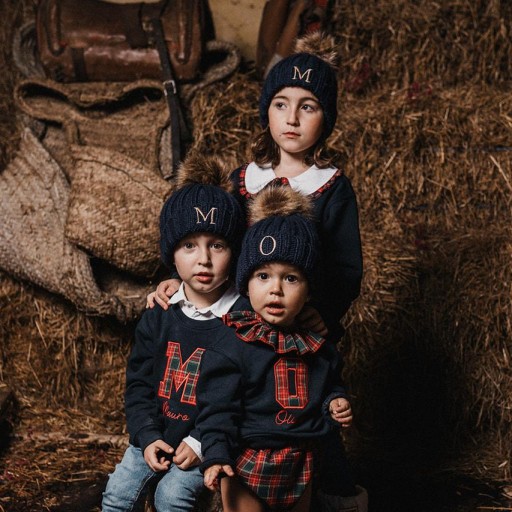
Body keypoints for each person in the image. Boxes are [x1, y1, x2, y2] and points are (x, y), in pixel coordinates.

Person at [148, 31, 362, 345]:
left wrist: (325, 312)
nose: (292, 118)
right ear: (266, 112)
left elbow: (345, 270)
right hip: (236, 321)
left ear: (326, 118)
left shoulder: (333, 189)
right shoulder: (242, 179)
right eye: (280, 104)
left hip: (295, 322)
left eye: (307, 107)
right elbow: (206, 238)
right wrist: (175, 280)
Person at [196, 186, 362, 512]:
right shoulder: (232, 343)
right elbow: (216, 409)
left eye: (290, 279)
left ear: (309, 291)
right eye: (262, 275)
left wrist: (334, 401)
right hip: (246, 459)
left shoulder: (317, 346)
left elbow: (325, 385)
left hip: (300, 458)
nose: (275, 289)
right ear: (245, 283)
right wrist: (216, 455)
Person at [101, 154, 248, 512]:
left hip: (206, 441)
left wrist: (201, 443)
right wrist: (147, 436)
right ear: (172, 252)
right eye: (189, 246)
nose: (204, 260)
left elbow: (244, 397)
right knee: (117, 494)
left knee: (171, 498)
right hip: (155, 433)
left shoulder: (243, 319)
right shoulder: (160, 312)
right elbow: (138, 383)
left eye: (217, 245)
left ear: (235, 251)